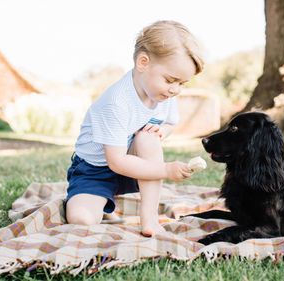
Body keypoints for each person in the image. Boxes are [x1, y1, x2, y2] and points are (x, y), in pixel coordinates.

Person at [65, 20, 205, 237]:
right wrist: (166, 170)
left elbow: (169, 123)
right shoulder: (116, 102)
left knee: (148, 139)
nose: (175, 90)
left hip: (135, 164)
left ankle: (149, 219)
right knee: (82, 220)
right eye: (171, 80)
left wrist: (161, 132)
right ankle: (94, 199)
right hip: (95, 170)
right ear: (143, 62)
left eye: (182, 83)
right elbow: (116, 161)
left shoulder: (162, 94)